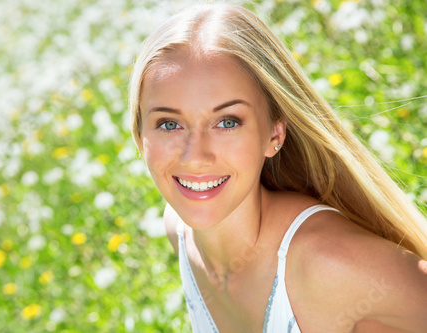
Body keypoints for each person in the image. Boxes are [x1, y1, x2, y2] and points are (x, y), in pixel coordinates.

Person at [129, 3, 427, 332]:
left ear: (274, 133)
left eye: (227, 122)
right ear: (140, 137)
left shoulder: (327, 264)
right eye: (170, 124)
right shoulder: (181, 234)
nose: (195, 156)